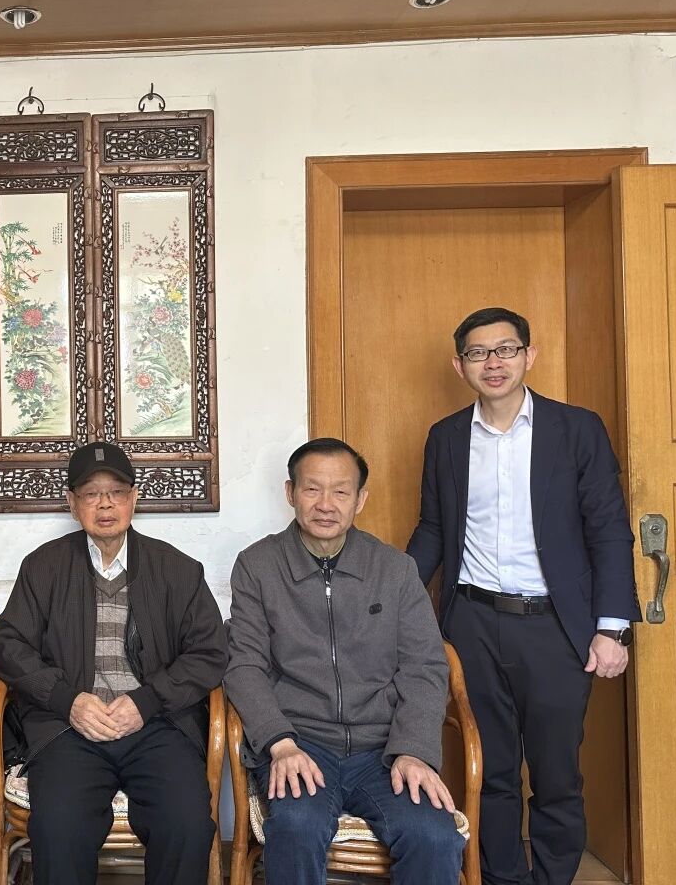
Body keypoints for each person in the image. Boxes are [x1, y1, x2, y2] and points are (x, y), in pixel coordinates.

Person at [408, 307, 639, 885]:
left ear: (529, 355)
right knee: (490, 771)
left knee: (556, 773)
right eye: (478, 353)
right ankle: (501, 877)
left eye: (506, 349)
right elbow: (433, 529)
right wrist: (395, 604)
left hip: (556, 627)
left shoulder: (576, 429)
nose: (494, 362)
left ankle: (553, 877)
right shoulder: (446, 437)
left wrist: (612, 628)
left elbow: (609, 531)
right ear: (459, 365)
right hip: (472, 622)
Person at [226, 437, 464, 885]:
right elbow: (244, 665)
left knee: (434, 836)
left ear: (360, 499)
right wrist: (280, 743)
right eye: (312, 489)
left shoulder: (395, 570)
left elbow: (425, 666)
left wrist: (413, 750)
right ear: (290, 493)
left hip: (384, 750)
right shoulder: (258, 566)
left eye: (340, 491)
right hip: (302, 743)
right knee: (296, 827)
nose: (326, 504)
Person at [0, 441, 227, 885]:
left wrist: (147, 701)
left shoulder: (177, 569)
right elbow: (8, 644)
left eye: (116, 492)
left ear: (134, 498)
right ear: (71, 502)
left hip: (157, 725)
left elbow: (209, 651)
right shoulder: (44, 566)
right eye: (91, 494)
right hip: (69, 728)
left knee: (187, 824)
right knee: (57, 828)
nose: (105, 504)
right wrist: (67, 700)